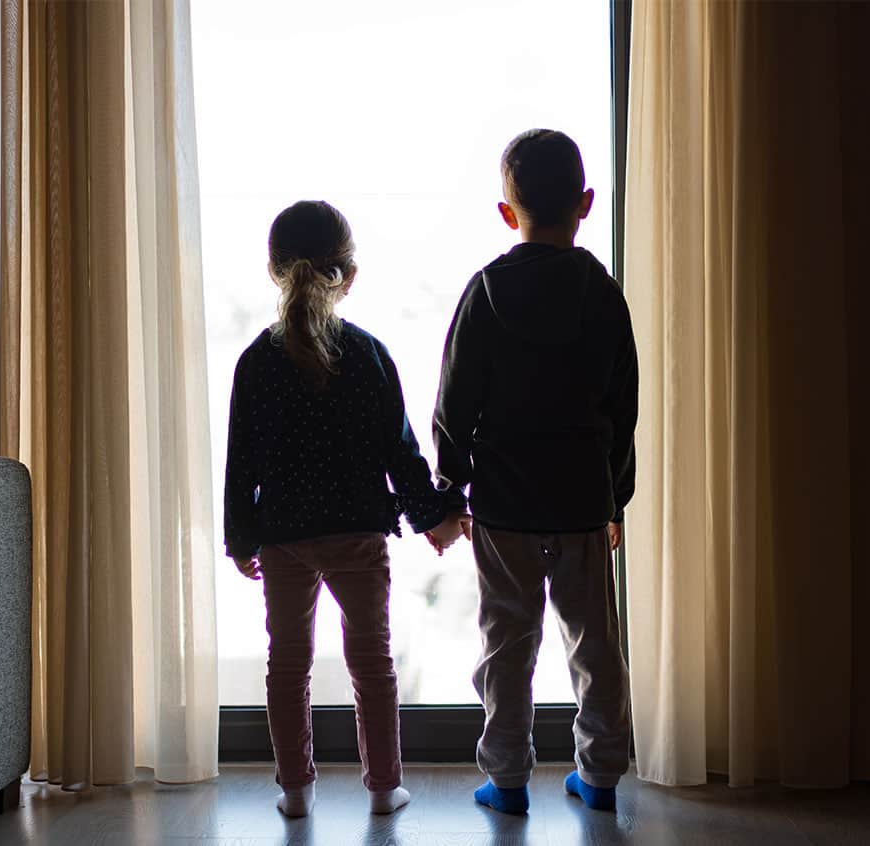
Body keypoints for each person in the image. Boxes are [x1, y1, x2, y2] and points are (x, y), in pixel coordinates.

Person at [224, 200, 469, 818]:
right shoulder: (368, 355)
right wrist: (435, 516)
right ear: (349, 275)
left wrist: (241, 539)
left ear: (275, 270)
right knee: (373, 663)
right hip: (358, 535)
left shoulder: (256, 361)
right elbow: (402, 454)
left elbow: (240, 464)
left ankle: (296, 791)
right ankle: (385, 789)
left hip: (283, 537)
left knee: (288, 665)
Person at [433, 129, 638, 814]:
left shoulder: (486, 292)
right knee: (594, 645)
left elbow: (453, 404)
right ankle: (601, 775)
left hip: (504, 504)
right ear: (585, 203)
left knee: (506, 644)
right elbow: (622, 407)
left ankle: (508, 779)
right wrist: (617, 500)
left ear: (505, 211)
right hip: (581, 498)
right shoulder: (603, 294)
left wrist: (450, 488)